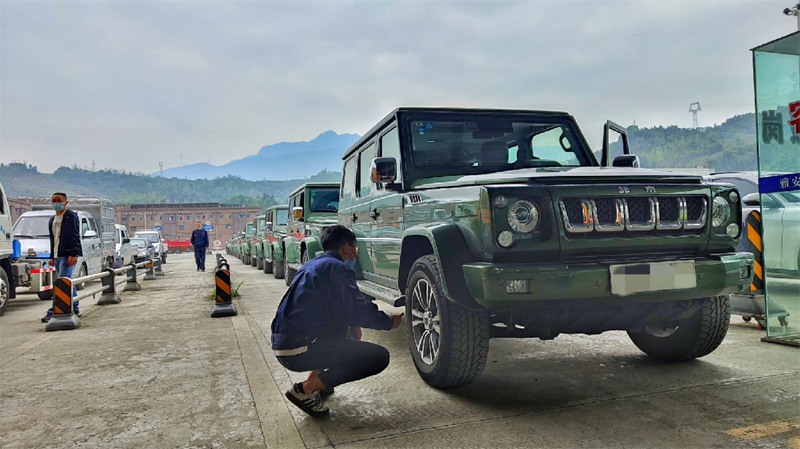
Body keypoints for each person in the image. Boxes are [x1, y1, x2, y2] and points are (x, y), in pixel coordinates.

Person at [271, 225, 403, 418]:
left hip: (284, 345)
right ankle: (305, 389)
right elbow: (357, 311)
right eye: (355, 247)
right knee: (379, 357)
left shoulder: (313, 265)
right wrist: (389, 321)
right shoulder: (339, 268)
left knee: (344, 332)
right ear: (346, 247)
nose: (355, 253)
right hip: (298, 350)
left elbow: (340, 308)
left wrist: (353, 325)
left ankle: (317, 381)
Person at [41, 192, 82, 322]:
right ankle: (75, 307)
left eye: (59, 201)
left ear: (66, 202)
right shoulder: (52, 220)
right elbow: (53, 240)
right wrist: (52, 256)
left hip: (67, 255)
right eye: (54, 201)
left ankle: (54, 310)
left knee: (62, 283)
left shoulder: (71, 216)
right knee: (66, 281)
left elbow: (75, 235)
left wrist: (73, 254)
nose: (56, 203)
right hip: (57, 255)